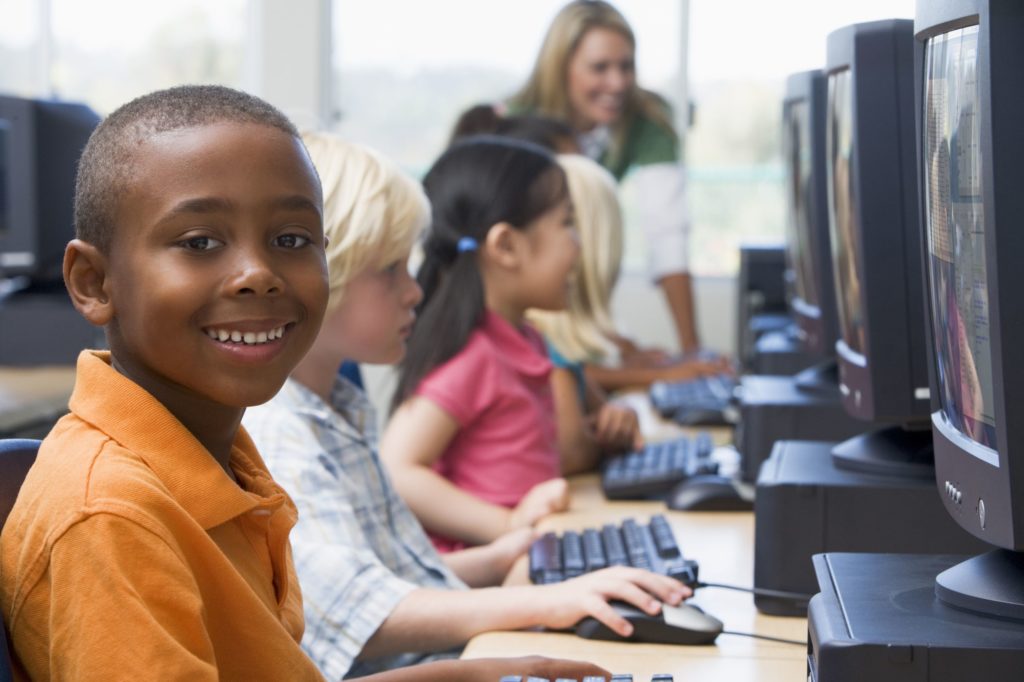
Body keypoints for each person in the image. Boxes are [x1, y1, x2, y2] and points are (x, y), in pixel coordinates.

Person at [0, 84, 609, 682]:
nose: (257, 274)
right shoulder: (113, 515)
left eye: (291, 239)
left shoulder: (221, 454)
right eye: (200, 242)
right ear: (93, 282)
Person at [244, 133, 691, 679]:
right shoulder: (278, 430)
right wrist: (545, 600)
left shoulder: (337, 407)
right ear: (323, 269)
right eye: (391, 270)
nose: (414, 291)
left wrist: (501, 557)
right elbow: (363, 615)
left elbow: (387, 576)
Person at [381, 136, 585, 552]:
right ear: (506, 246)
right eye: (567, 223)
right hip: (481, 579)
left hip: (524, 557)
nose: (578, 243)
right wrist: (507, 524)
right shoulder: (475, 356)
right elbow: (398, 470)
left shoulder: (524, 340)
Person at [507, 0, 702, 354]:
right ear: (560, 68)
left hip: (577, 313)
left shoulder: (647, 119)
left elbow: (668, 234)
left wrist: (691, 351)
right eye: (599, 68)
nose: (617, 83)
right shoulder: (515, 127)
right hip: (529, 317)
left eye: (626, 66)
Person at [527, 154, 728, 404]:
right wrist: (660, 374)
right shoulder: (531, 326)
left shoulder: (574, 323)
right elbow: (569, 372)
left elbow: (581, 369)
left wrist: (641, 364)